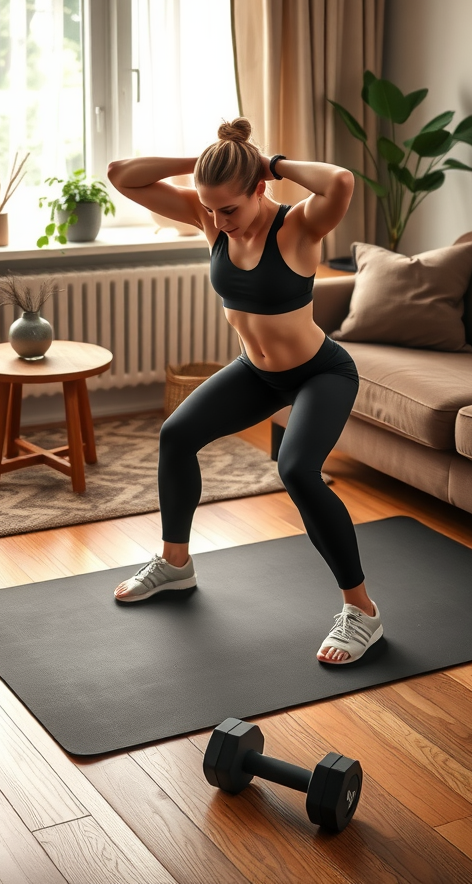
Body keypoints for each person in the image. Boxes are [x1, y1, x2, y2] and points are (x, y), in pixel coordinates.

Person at [106, 118, 383, 664]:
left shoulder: (298, 226)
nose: (216, 220)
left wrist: (271, 163)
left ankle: (362, 612)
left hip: (320, 372)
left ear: (259, 188)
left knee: (298, 471)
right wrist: (204, 163)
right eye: (209, 209)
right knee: (176, 435)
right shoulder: (211, 218)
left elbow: (342, 181)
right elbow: (121, 174)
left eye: (228, 208)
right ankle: (175, 565)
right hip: (256, 371)